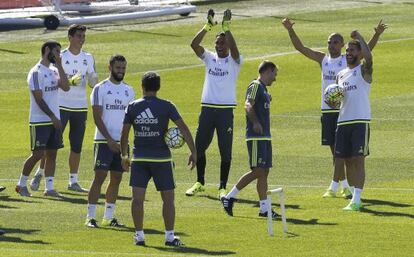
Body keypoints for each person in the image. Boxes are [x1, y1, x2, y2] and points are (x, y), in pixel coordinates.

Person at [281, 18, 386, 198]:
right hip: (327, 109)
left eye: (335, 42)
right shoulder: (323, 59)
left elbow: (368, 51)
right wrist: (290, 30)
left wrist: (375, 34)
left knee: (343, 153)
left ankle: (337, 186)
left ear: (342, 44)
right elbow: (301, 48)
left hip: (344, 110)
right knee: (336, 151)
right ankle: (343, 185)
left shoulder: (348, 60)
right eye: (329, 42)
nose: (331, 45)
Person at [120, 71, 197, 247]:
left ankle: (139, 236)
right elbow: (184, 129)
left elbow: (124, 134)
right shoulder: (167, 106)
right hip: (162, 160)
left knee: (137, 199)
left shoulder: (132, 106)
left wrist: (124, 156)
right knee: (168, 200)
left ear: (142, 87)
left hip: (139, 159)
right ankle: (170, 237)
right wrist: (193, 151)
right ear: (158, 87)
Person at [30, 24, 98, 193]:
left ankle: (73, 181)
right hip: (60, 106)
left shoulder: (88, 57)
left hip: (80, 106)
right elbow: (54, 80)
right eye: (78, 36)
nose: (81, 39)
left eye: (83, 36)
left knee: (77, 145)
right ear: (70, 37)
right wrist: (69, 80)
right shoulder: (60, 57)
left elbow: (93, 81)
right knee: (51, 146)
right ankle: (40, 172)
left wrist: (92, 79)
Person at [187, 9, 242, 199]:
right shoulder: (209, 58)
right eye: (217, 42)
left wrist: (226, 28)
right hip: (208, 109)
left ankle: (222, 187)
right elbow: (194, 44)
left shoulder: (235, 61)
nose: (219, 45)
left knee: (225, 150)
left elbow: (235, 50)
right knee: (199, 146)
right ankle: (200, 182)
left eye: (223, 42)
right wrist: (207, 27)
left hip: (225, 111)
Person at [221, 61, 278, 218]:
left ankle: (264, 208)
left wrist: (267, 97)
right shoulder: (255, 86)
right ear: (268, 71)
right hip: (256, 137)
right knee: (258, 170)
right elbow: (247, 104)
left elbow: (259, 101)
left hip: (265, 137)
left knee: (264, 172)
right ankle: (229, 197)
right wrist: (255, 122)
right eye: (275, 74)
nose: (275, 78)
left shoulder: (263, 89)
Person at [85, 55, 134, 228]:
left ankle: (108, 217)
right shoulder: (100, 89)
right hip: (102, 141)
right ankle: (90, 217)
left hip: (122, 143)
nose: (121, 71)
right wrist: (108, 140)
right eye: (118, 68)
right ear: (110, 67)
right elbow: (97, 118)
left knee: (117, 178)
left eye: (123, 68)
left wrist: (124, 146)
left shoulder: (129, 91)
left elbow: (130, 121)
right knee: (99, 176)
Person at [15, 40, 70, 197]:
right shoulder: (36, 72)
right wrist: (52, 116)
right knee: (38, 154)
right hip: (40, 121)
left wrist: (59, 65)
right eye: (57, 52)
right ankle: (21, 184)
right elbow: (38, 99)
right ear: (47, 50)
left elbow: (66, 87)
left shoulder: (53, 70)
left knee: (52, 154)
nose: (59, 55)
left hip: (54, 120)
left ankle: (49, 188)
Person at [335, 31, 373, 211]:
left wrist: (360, 38)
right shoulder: (340, 74)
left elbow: (369, 57)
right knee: (347, 160)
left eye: (352, 49)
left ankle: (357, 199)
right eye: (347, 50)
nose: (348, 52)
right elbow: (337, 99)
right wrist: (332, 99)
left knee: (358, 159)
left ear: (359, 53)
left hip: (360, 120)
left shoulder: (364, 69)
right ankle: (352, 196)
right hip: (343, 122)